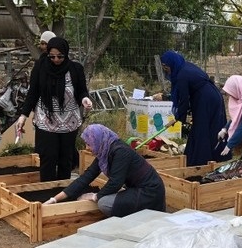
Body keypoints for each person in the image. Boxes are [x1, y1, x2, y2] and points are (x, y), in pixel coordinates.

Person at [42, 124, 166, 216]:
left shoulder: (120, 152)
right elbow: (85, 178)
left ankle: (138, 217)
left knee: (104, 203)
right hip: (136, 189)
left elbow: (115, 182)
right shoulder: (104, 152)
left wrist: (95, 196)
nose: (87, 148)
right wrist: (54, 199)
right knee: (107, 197)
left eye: (89, 144)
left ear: (98, 140)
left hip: (150, 192)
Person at [16, 36, 92, 181]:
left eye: (60, 56)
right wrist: (23, 115)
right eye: (52, 56)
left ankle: (63, 195)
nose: (56, 60)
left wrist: (85, 99)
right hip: (46, 120)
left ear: (66, 53)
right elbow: (33, 93)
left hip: (69, 122)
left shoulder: (75, 69)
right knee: (48, 158)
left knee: (66, 159)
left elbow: (82, 91)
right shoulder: (40, 67)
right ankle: (47, 192)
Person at [160, 50, 230, 166]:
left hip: (206, 99)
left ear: (172, 63)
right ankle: (213, 157)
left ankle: (199, 160)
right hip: (211, 96)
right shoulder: (185, 66)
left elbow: (183, 99)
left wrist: (178, 117)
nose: (165, 69)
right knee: (210, 127)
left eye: (166, 66)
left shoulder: (182, 75)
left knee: (201, 128)